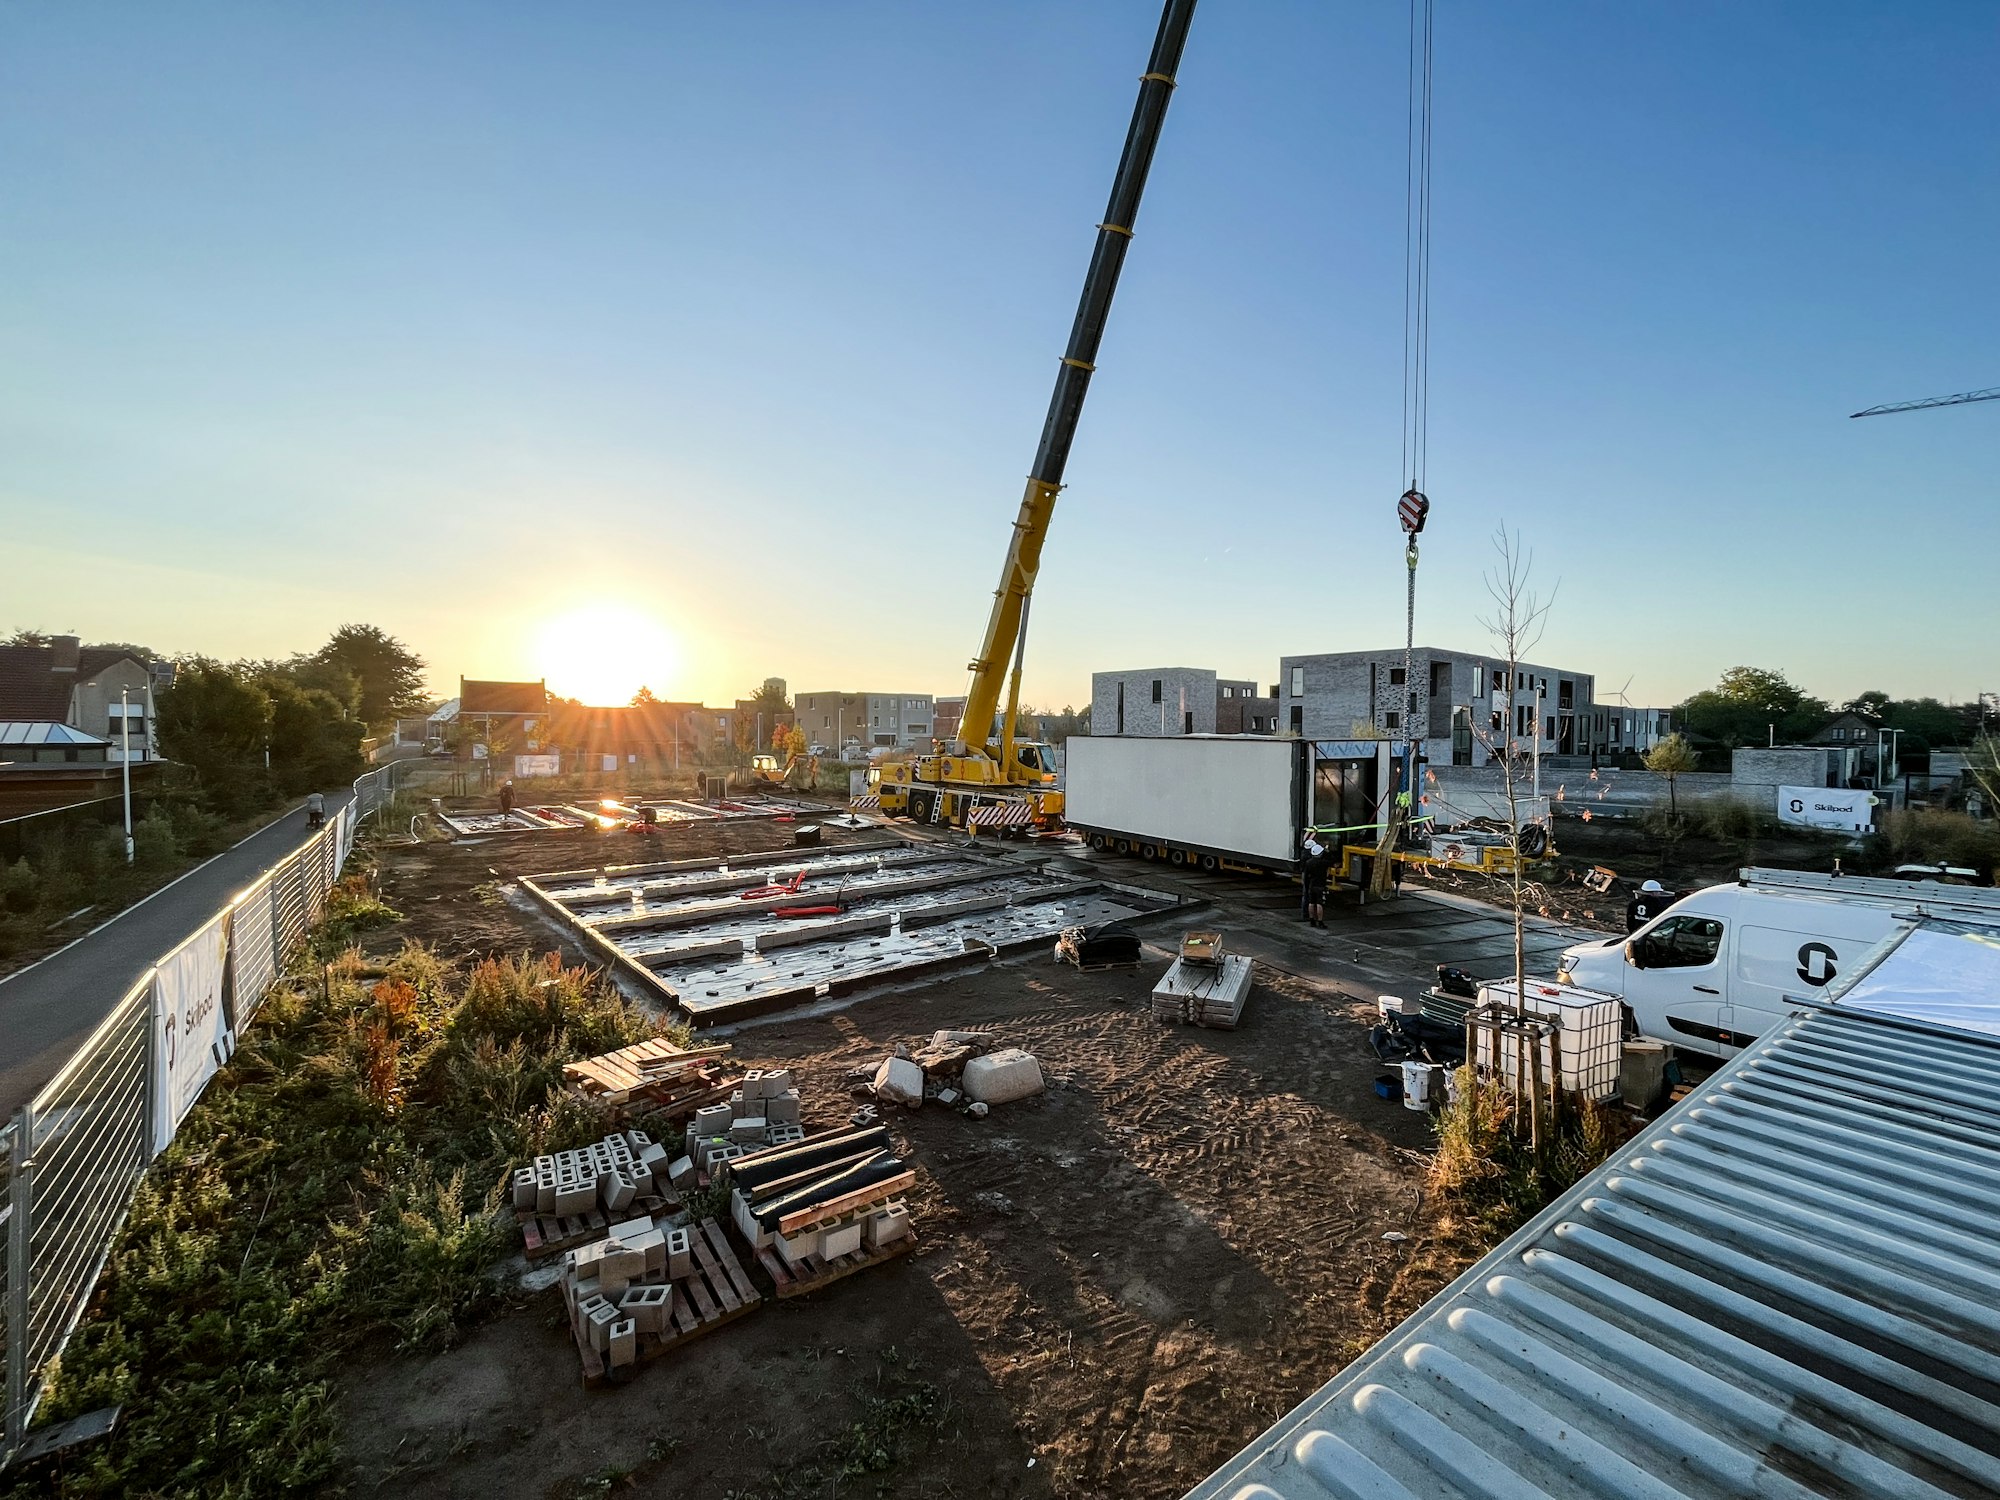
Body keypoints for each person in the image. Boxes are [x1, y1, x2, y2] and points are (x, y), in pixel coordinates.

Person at [1301, 833, 1332, 928]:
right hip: (1320, 885)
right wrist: (1327, 850)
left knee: (1311, 903)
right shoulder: (1324, 863)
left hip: (1311, 885)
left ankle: (1311, 921)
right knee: (1319, 904)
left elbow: (1306, 876)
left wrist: (1306, 885)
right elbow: (1332, 860)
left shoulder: (1308, 862)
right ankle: (1320, 922)